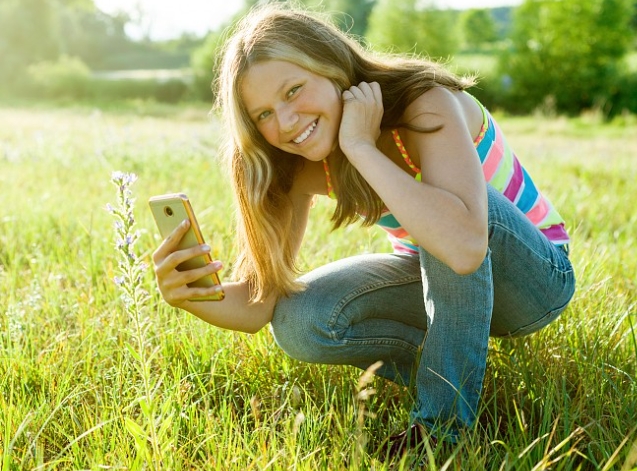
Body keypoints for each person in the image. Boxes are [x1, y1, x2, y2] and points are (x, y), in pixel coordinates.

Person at [152, 3, 576, 456]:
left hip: (534, 280)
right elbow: (260, 304)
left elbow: (466, 245)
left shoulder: (423, 102)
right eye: (263, 115)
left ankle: (440, 430)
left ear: (332, 66)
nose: (286, 122)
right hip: (437, 277)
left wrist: (359, 145)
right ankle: (457, 376)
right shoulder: (290, 165)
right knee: (300, 322)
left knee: (448, 217)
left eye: (294, 90)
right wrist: (195, 296)